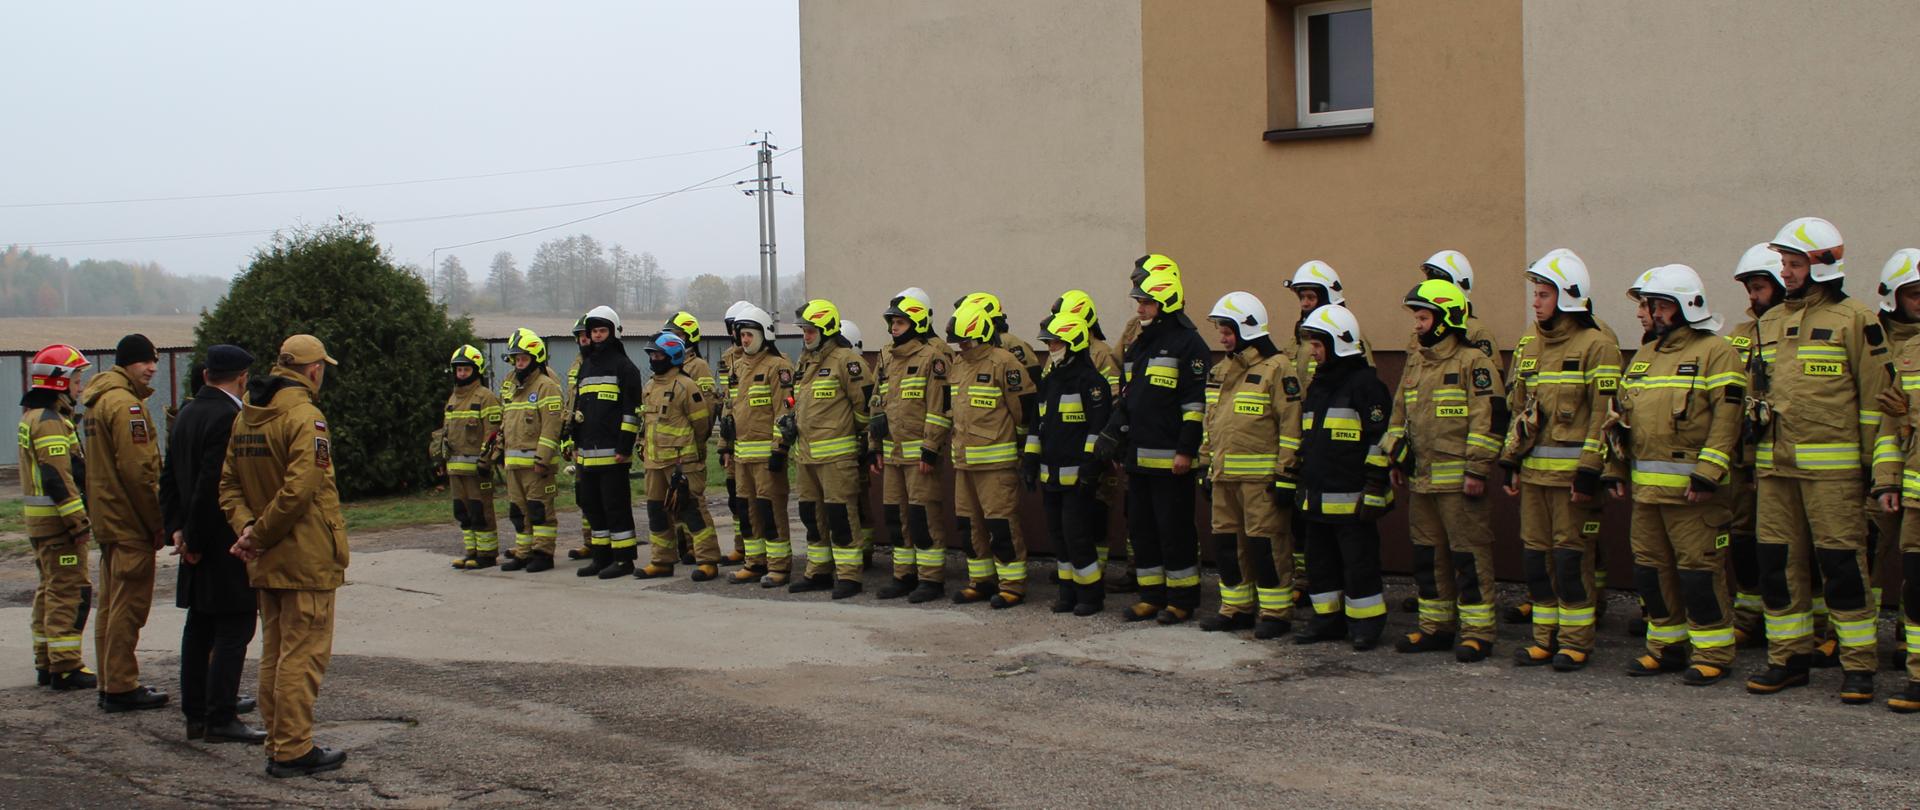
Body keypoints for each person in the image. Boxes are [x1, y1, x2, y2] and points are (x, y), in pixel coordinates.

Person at [1746, 217, 1890, 703]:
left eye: (1794, 263)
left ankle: (1858, 665)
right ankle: (1788, 658)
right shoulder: (1767, 323)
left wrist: (1873, 468)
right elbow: (1755, 396)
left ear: (1824, 264)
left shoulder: (1856, 319)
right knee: (1776, 565)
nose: (1784, 272)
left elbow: (1876, 401)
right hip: (1775, 470)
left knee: (1843, 566)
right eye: (1784, 263)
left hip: (1834, 475)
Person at [1605, 265, 1745, 685]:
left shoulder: (1717, 352)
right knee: (1651, 572)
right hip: (1648, 494)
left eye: (1660, 305)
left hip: (1694, 494)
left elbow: (1728, 417)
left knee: (1699, 574)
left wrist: (1708, 473)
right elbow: (1620, 415)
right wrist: (1614, 467)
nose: (1651, 313)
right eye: (1650, 305)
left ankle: (1713, 652)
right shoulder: (1646, 355)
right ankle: (1665, 648)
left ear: (1687, 306)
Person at [220, 334, 349, 777]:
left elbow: (229, 486)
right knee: (303, 655)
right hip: (305, 556)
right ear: (314, 370)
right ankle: (293, 749)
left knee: (276, 654)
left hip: (267, 561)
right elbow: (300, 489)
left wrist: (248, 529)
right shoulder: (305, 416)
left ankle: (279, 741)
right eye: (322, 368)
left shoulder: (247, 417)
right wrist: (260, 534)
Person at [1499, 249, 1623, 672]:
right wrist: (1511, 462)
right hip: (1535, 477)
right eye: (1535, 293)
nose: (1535, 302)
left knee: (1572, 563)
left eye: (1544, 293)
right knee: (1536, 560)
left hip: (1573, 481)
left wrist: (1590, 471)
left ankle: (1574, 642)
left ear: (1569, 295)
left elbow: (1605, 416)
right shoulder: (1529, 344)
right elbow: (1518, 408)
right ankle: (1543, 640)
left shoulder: (1598, 346)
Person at [1385, 280, 1507, 662]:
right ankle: (1435, 627)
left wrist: (1477, 470)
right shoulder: (1416, 361)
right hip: (1422, 481)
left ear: (1445, 318)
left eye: (1423, 317)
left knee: (1468, 558)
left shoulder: (1475, 363)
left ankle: (1477, 633)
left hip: (1460, 483)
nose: (1417, 325)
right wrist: (1395, 453)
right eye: (1417, 318)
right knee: (1427, 556)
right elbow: (1397, 415)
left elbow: (1489, 420)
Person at [161, 346, 265, 742]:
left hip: (193, 535)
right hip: (219, 538)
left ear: (206, 375)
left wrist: (177, 530)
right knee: (235, 626)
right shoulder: (229, 417)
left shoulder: (186, 412)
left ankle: (196, 712)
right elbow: (211, 486)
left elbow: (168, 476)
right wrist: (197, 539)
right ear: (241, 378)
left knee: (199, 626)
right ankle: (220, 715)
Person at [1095, 268, 1209, 623]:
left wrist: (1186, 451)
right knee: (1142, 530)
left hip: (1171, 460)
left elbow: (1195, 406)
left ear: (1166, 303)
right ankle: (1151, 595)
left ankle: (1181, 600)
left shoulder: (1190, 345)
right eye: (1140, 302)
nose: (1140, 309)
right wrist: (1116, 439)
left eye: (1146, 302)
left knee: (1173, 531)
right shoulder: (1139, 343)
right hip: (1138, 457)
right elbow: (1129, 397)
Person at [1196, 291, 1301, 639]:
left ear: (1247, 328)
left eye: (1227, 330)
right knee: (1227, 546)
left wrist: (1286, 473)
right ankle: (1235, 609)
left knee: (1267, 547)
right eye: (1221, 330)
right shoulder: (1220, 370)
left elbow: (1290, 424)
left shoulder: (1278, 368)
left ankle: (1275, 613)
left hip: (1261, 481)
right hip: (1224, 477)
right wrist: (1205, 465)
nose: (1222, 337)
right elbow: (1210, 423)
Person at [1291, 305, 1394, 650]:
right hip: (1318, 495)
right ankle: (1327, 620)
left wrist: (1375, 487)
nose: (1314, 352)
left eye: (1319, 345)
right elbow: (1309, 439)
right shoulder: (1319, 386)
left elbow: (1379, 439)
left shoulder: (1366, 386)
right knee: (1320, 565)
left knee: (1359, 565)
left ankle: (1365, 625)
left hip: (1353, 499)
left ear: (1339, 343)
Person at [84, 333, 168, 712]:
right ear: (126, 363)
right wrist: (156, 520)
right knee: (128, 606)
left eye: (154, 361)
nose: (151, 368)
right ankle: (121, 685)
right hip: (128, 519)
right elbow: (138, 470)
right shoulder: (125, 406)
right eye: (144, 361)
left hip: (107, 518)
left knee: (110, 604)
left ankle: (109, 680)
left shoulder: (99, 400)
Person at [19, 344, 97, 692]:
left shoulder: (34, 417)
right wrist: (78, 523)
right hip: (57, 526)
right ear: (60, 382)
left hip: (41, 524)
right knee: (69, 591)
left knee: (49, 590)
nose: (80, 386)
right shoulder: (50, 423)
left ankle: (46, 660)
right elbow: (57, 478)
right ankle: (66, 667)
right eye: (77, 379)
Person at [870, 290, 955, 601]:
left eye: (901, 322)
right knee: (896, 517)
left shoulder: (933, 357)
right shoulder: (885, 356)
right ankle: (903, 576)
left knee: (923, 517)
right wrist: (873, 444)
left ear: (917, 323)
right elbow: (876, 401)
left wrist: (931, 447)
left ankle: (931, 580)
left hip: (919, 455)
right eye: (892, 321)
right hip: (892, 454)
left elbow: (940, 407)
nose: (894, 327)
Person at [1029, 312, 1114, 615]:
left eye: (1055, 342)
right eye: (1049, 342)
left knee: (1078, 538)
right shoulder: (1049, 381)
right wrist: (1030, 461)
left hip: (1079, 479)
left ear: (1073, 342)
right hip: (1050, 476)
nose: (1050, 347)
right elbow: (1037, 425)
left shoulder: (1092, 383)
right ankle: (1067, 594)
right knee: (1059, 539)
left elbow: (1097, 430)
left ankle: (1091, 596)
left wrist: (1091, 469)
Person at [787, 299, 872, 597]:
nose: (805, 336)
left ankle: (849, 576)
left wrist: (856, 438)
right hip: (807, 456)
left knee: (840, 516)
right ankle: (818, 572)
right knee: (812, 516)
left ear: (826, 329)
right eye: (804, 331)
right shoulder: (805, 362)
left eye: (810, 330)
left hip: (837, 458)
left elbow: (865, 408)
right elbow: (799, 403)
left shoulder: (847, 361)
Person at [1110, 254, 1178, 594]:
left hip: (1164, 443)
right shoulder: (1133, 329)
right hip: (1135, 436)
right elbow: (1121, 370)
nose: (1138, 299)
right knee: (1134, 512)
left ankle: (1174, 576)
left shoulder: (1179, 335)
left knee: (1170, 519)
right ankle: (1140, 571)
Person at [1726, 243, 1784, 647]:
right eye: (1749, 288)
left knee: (1787, 543)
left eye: (1760, 287)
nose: (1753, 296)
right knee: (1743, 536)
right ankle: (1748, 614)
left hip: (1784, 459)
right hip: (1743, 460)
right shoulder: (1739, 336)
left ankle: (1810, 625)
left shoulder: (1794, 331)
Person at [1048, 289, 1123, 593]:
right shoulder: (1059, 352)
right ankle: (1078, 571)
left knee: (1095, 513)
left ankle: (1095, 571)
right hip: (1065, 449)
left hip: (1093, 451)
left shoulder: (1100, 353)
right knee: (1071, 520)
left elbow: (1110, 402)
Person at [1873, 249, 1920, 713]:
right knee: (1914, 581)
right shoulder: (1905, 356)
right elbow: (1891, 428)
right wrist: (1887, 482)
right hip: (1910, 489)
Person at [721, 305, 798, 587]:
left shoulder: (778, 367)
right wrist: (725, 444)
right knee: (746, 510)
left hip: (767, 457)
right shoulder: (737, 366)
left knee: (770, 510)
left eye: (749, 335)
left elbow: (785, 410)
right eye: (742, 335)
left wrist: (780, 449)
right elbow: (731, 406)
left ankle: (778, 566)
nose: (744, 340)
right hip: (742, 456)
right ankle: (754, 562)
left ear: (764, 335)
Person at [634, 332, 720, 580]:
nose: (653, 359)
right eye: (651, 354)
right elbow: (646, 423)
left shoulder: (686, 386)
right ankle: (662, 561)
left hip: (681, 463)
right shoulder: (649, 386)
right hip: (654, 461)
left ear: (672, 356)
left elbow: (701, 425)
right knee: (656, 512)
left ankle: (707, 560)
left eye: (658, 354)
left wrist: (690, 455)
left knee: (691, 509)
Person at [571, 306, 646, 579]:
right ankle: (600, 558)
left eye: (603, 331)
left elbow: (631, 411)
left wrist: (624, 447)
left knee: (616, 508)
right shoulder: (586, 366)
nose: (598, 336)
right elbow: (579, 409)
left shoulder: (625, 367)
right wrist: (576, 441)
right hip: (587, 455)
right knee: (592, 507)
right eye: (594, 331)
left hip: (613, 455)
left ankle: (624, 559)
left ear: (613, 333)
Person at [497, 329, 565, 573]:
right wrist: (499, 452)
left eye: (524, 358)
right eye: (516, 359)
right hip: (513, 463)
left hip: (537, 465)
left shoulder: (547, 387)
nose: (519, 363)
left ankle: (543, 553)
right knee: (518, 511)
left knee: (540, 510)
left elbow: (551, 426)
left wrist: (542, 458)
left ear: (535, 359)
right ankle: (523, 553)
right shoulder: (511, 386)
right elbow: (506, 422)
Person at [663, 311, 726, 566]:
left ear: (689, 338)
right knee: (677, 501)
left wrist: (700, 440)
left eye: (677, 335)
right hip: (672, 447)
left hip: (690, 445)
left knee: (692, 500)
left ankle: (699, 551)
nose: (673, 339)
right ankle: (685, 548)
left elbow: (707, 405)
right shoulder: (673, 365)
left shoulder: (697, 366)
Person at [436, 345, 502, 570]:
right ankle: (471, 551)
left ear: (476, 370)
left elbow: (492, 433)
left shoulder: (485, 397)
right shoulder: (453, 398)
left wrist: (486, 461)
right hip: (455, 467)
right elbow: (446, 433)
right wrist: (441, 460)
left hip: (477, 469)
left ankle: (487, 554)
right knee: (462, 511)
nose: (462, 374)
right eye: (459, 370)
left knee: (480, 511)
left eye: (466, 369)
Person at [715, 302, 756, 567]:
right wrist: (723, 445)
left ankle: (758, 551)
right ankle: (741, 547)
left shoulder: (773, 361)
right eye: (733, 328)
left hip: (756, 440)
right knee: (735, 497)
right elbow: (727, 403)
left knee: (757, 500)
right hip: (735, 438)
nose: (737, 334)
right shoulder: (727, 358)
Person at [563, 316, 595, 563]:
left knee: (601, 493)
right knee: (582, 493)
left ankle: (603, 540)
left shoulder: (602, 363)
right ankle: (589, 540)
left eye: (587, 333)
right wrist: (566, 436)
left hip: (599, 439)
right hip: (579, 438)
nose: (583, 338)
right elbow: (569, 403)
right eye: (580, 335)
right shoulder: (575, 366)